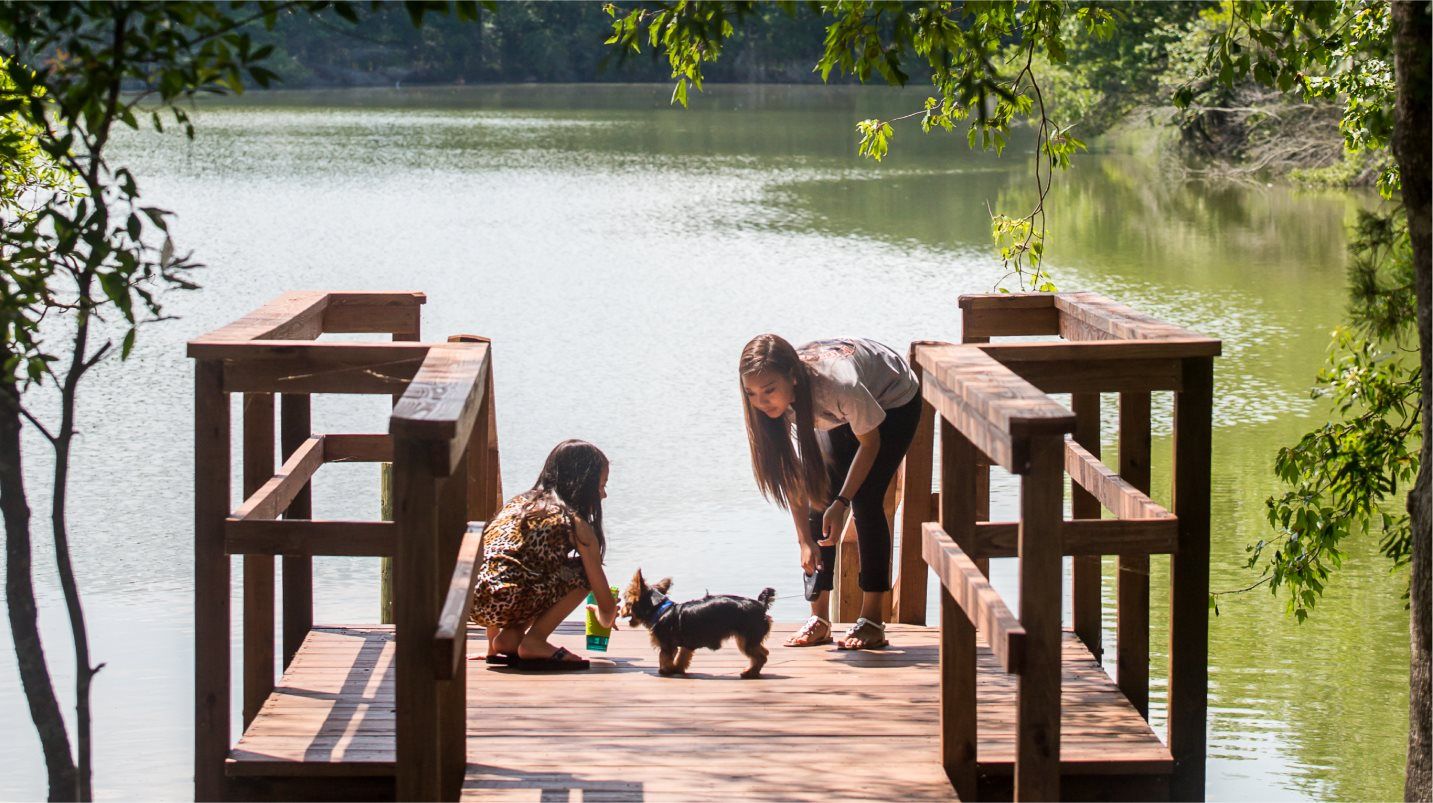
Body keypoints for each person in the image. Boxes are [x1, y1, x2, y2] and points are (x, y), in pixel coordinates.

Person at [739, 334, 920, 650]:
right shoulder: (772, 407)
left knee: (865, 500)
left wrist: (843, 501)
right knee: (819, 498)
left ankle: (872, 620)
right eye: (751, 393)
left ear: (793, 378)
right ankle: (819, 620)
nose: (761, 401)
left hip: (893, 398)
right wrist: (804, 541)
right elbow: (796, 479)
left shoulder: (837, 385)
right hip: (840, 404)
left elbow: (870, 443)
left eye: (769, 390)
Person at [469, 439, 618, 669]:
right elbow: (607, 609)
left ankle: (507, 639)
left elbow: (496, 563)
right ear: (582, 484)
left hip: (475, 601)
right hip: (511, 597)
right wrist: (603, 615)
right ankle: (535, 641)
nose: (604, 495)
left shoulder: (519, 504)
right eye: (601, 486)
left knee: (524, 569)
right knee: (582, 572)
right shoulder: (575, 523)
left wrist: (491, 646)